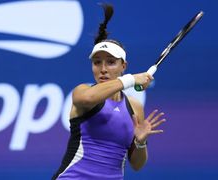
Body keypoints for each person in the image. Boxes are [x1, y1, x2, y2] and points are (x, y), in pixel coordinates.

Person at [52, 4, 166, 180]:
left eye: (111, 62)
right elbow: (89, 98)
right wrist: (131, 79)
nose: (103, 69)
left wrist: (140, 142)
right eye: (97, 62)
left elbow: (136, 165)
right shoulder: (83, 92)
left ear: (123, 66)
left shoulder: (135, 107)